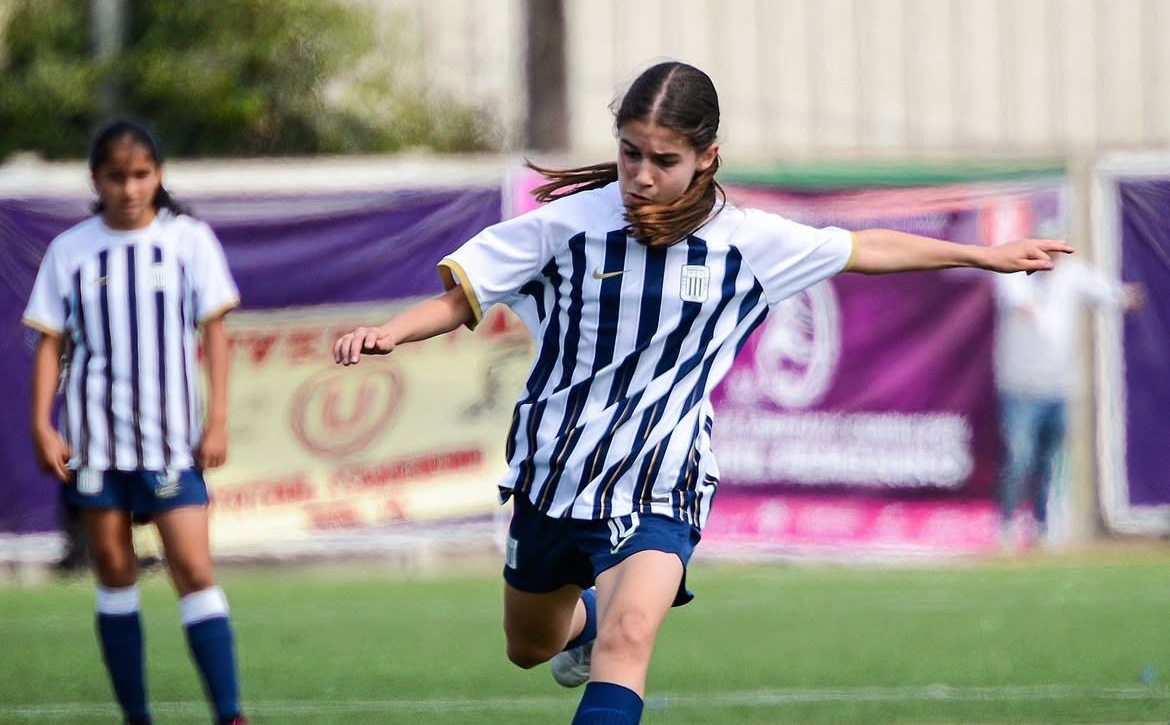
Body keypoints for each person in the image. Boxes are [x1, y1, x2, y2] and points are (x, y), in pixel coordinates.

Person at [333, 61, 1071, 725]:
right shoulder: (566, 227)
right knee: (530, 647)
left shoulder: (745, 242)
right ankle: (584, 621)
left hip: (663, 475)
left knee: (632, 638)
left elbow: (867, 246)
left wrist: (984, 253)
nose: (642, 175)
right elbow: (467, 294)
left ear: (707, 158)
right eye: (630, 154)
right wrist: (392, 332)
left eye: (664, 160)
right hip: (554, 471)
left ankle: (608, 623)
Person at [23, 120, 248, 725]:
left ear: (159, 176)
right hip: (96, 443)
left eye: (141, 174)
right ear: (96, 180)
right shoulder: (70, 250)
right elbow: (50, 343)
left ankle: (230, 714)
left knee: (194, 569)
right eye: (117, 176)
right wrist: (43, 423)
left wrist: (218, 418)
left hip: (171, 441)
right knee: (116, 572)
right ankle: (136, 717)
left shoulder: (189, 241)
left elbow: (215, 333)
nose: (129, 188)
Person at [994, 247, 1142, 547]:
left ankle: (1042, 525)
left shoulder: (1073, 273)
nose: (1050, 259)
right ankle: (1007, 525)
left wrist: (1124, 296)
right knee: (1019, 459)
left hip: (1060, 387)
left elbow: (1108, 292)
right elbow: (1020, 303)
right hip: (1021, 387)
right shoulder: (1014, 273)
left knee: (1050, 462)